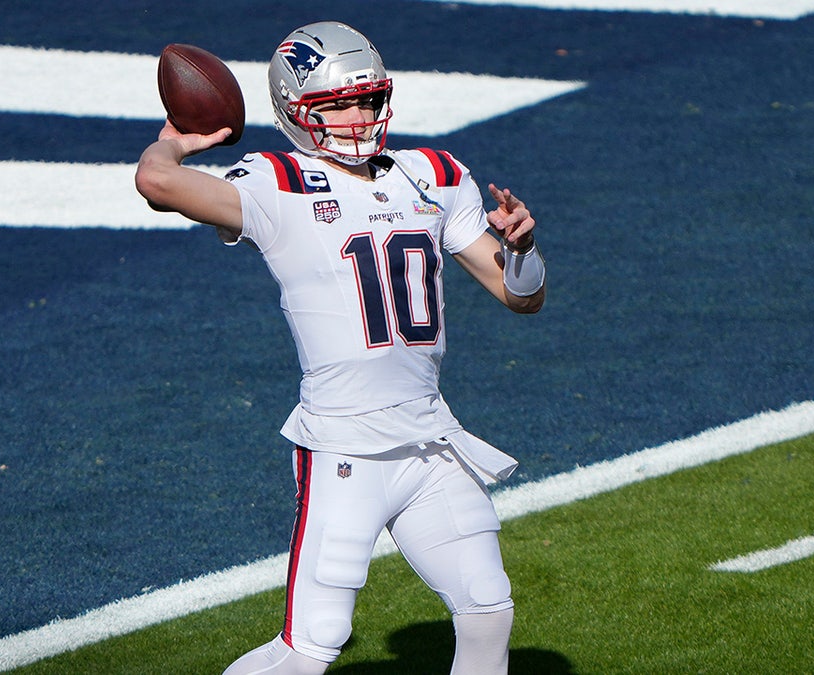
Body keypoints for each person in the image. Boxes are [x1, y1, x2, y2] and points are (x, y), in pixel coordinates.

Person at [135, 20, 546, 675]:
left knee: (488, 608)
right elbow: (159, 187)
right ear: (297, 114)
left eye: (367, 99)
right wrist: (170, 146)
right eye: (337, 105)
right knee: (310, 646)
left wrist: (523, 252)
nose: (358, 116)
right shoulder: (278, 184)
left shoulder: (433, 174)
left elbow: (519, 296)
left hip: (429, 441)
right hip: (343, 448)